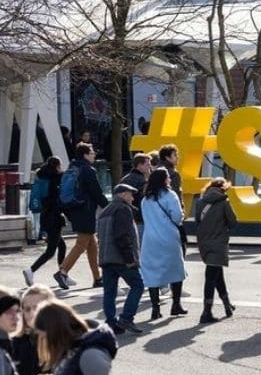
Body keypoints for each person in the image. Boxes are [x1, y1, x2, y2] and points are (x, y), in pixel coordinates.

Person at [54, 144, 108, 292]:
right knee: (82, 243)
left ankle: (97, 278)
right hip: (86, 210)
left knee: (92, 244)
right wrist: (109, 207)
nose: (94, 154)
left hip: (75, 209)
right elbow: (96, 193)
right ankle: (63, 271)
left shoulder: (72, 168)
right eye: (91, 152)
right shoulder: (88, 170)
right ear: (85, 154)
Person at [138, 167, 187, 320]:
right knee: (176, 270)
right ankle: (176, 305)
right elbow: (177, 217)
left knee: (152, 272)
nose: (170, 179)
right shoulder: (170, 195)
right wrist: (182, 216)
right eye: (168, 177)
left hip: (150, 239)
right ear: (164, 179)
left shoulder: (145, 199)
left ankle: (155, 308)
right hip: (168, 237)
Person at [96, 183, 144, 336]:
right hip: (121, 258)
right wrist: (130, 258)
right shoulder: (123, 209)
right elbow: (122, 235)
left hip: (106, 259)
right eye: (130, 194)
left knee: (109, 292)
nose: (132, 197)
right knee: (137, 285)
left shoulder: (104, 212)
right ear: (122, 194)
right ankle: (126, 318)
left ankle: (111, 323)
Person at [32, 299, 116, 374]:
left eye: (43, 337)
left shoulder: (90, 356)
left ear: (55, 331)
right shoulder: (69, 348)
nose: (41, 342)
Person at [194, 177, 238, 323]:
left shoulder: (200, 202)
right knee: (211, 276)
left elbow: (197, 222)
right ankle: (206, 312)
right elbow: (233, 223)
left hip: (203, 243)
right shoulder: (224, 203)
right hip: (218, 243)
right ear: (223, 188)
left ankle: (227, 305)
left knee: (217, 274)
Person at [24, 157, 66, 287]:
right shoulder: (56, 178)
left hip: (45, 216)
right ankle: (31, 270)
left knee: (62, 245)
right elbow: (57, 198)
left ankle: (64, 273)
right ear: (58, 165)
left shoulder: (42, 176)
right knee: (50, 251)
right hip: (54, 217)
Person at [13, 285, 55, 375]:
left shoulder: (64, 341)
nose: (32, 313)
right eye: (27, 309)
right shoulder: (15, 342)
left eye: (37, 308)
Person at [157, 144, 188, 256]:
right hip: (171, 215)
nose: (178, 157)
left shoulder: (154, 172)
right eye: (175, 155)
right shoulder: (173, 174)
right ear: (167, 157)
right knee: (179, 246)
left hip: (157, 217)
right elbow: (176, 196)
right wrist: (182, 211)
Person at [118, 153, 151, 225]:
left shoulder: (124, 178)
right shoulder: (142, 180)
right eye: (147, 165)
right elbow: (145, 197)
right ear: (139, 165)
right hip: (139, 216)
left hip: (125, 215)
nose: (149, 167)